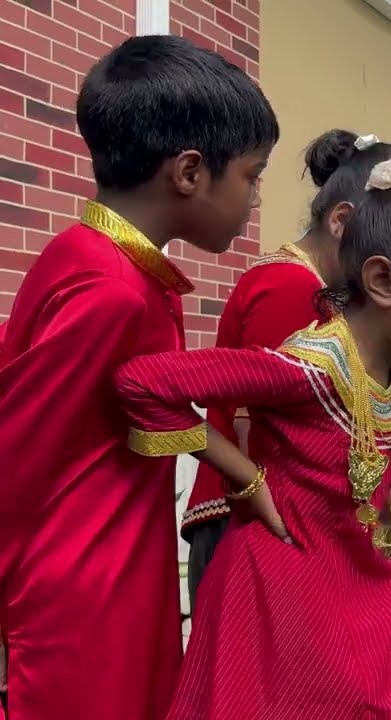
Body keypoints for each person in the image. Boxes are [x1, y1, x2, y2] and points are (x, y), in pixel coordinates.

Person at [113, 149, 391, 720]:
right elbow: (142, 382)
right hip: (279, 595)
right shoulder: (311, 370)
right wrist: (246, 478)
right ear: (382, 279)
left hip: (362, 581)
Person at [0, 35, 277, 720]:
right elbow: (17, 459)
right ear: (188, 172)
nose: (252, 201)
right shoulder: (110, 292)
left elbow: (148, 408)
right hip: (83, 599)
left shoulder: (103, 264)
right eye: (252, 175)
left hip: (120, 565)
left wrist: (243, 474)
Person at [181, 128, 391, 609]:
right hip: (252, 523)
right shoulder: (289, 289)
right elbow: (255, 426)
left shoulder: (317, 291)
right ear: (343, 222)